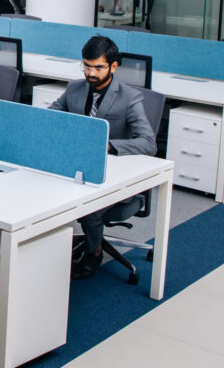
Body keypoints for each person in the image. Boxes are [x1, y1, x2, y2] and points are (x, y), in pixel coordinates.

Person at [48, 35, 156, 280]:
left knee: (90, 208)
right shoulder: (74, 89)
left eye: (98, 67)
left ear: (113, 66)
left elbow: (149, 143)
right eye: (86, 66)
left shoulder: (129, 97)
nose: (90, 73)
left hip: (114, 177)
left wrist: (108, 145)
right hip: (77, 169)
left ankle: (94, 252)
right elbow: (50, 118)